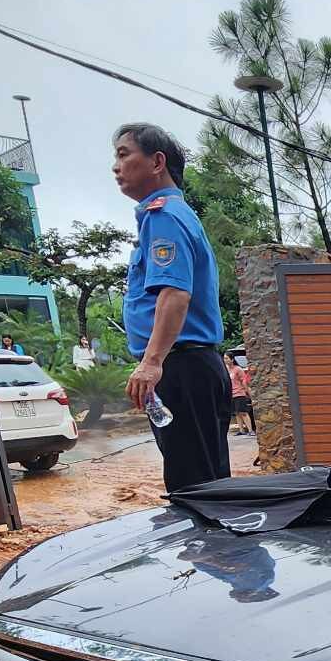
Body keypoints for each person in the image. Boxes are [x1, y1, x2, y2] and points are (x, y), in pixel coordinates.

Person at [113, 122, 231, 490]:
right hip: (186, 366)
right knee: (205, 483)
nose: (115, 167)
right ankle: (215, 548)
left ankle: (213, 550)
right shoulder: (169, 215)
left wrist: (151, 363)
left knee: (195, 490)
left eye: (123, 155)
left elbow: (175, 293)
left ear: (156, 162)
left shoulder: (164, 216)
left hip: (182, 368)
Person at [226, 350, 254, 435]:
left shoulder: (238, 369)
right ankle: (241, 430)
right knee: (237, 413)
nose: (225, 360)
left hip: (239, 393)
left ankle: (250, 430)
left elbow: (244, 381)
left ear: (232, 359)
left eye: (227, 358)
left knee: (243, 412)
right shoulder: (227, 370)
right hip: (232, 394)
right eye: (224, 358)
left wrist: (248, 393)